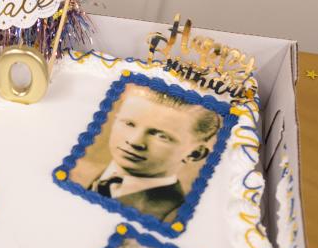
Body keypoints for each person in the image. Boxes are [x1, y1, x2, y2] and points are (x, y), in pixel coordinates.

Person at [88, 86, 221, 222]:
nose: (134, 141)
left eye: (161, 136)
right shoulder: (78, 171)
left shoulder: (172, 216)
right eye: (129, 123)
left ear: (195, 154)